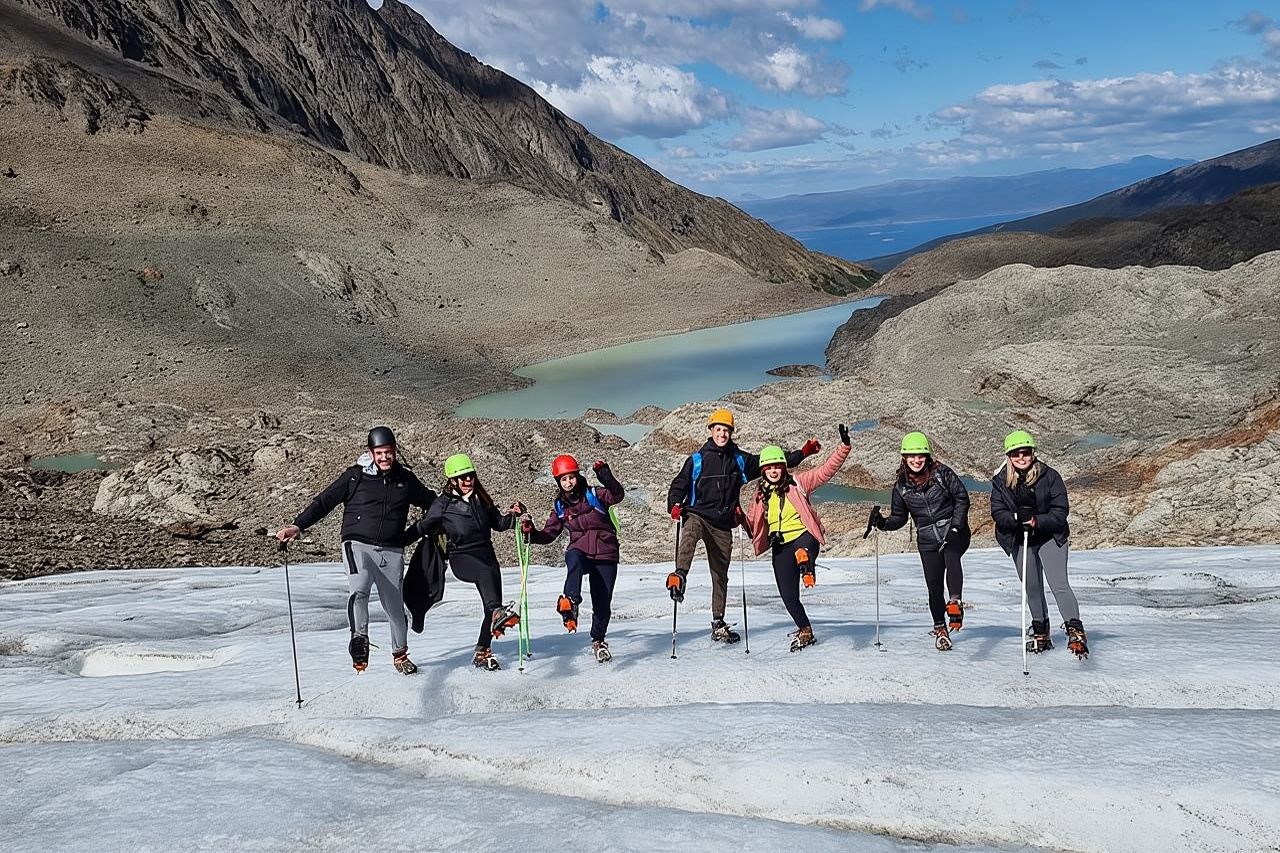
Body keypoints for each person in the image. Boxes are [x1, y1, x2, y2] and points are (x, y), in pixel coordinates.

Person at [276, 426, 435, 675]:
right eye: (379, 453)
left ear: (395, 452)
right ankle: (359, 640)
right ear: (371, 453)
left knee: (395, 607)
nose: (384, 457)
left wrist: (416, 531)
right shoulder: (355, 477)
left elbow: (432, 503)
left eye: (389, 452)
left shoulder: (406, 480)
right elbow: (325, 501)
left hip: (392, 550)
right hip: (357, 544)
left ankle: (400, 655)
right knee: (359, 589)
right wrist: (298, 525)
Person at [666, 407, 820, 643]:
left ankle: (718, 623)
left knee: (720, 574)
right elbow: (679, 484)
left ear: (731, 432)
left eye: (726, 430)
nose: (722, 434)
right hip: (698, 514)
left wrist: (803, 453)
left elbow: (771, 461)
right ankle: (680, 575)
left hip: (722, 525)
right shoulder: (697, 460)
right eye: (719, 429)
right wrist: (675, 504)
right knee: (690, 532)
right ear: (711, 430)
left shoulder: (738, 460)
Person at [404, 453, 525, 671]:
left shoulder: (481, 498)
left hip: (487, 556)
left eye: (471, 475)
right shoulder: (442, 504)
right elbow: (422, 526)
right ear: (452, 480)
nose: (468, 480)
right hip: (462, 557)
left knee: (491, 606)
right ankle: (497, 614)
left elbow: (499, 523)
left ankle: (482, 652)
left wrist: (514, 516)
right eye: (463, 477)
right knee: (494, 603)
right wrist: (398, 541)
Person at [743, 425, 851, 652]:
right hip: (780, 546)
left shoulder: (798, 483)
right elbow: (753, 525)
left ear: (784, 467)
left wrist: (843, 447)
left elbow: (825, 472)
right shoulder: (760, 495)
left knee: (803, 550)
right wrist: (738, 518)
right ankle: (805, 629)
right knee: (789, 596)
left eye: (777, 466)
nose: (774, 471)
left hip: (804, 536)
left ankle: (806, 564)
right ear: (763, 470)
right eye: (769, 467)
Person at [869, 431, 970, 651]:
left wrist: (955, 526)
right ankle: (940, 629)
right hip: (927, 539)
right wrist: (883, 523)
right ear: (904, 458)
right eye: (912, 456)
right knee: (933, 586)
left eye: (921, 455)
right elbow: (899, 518)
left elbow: (962, 498)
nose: (917, 460)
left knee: (951, 554)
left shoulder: (942, 473)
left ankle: (955, 602)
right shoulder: (901, 487)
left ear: (928, 456)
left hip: (954, 531)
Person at [990, 430, 1088, 657]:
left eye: (1025, 452)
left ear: (1033, 453)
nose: (1021, 457)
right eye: (1016, 453)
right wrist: (1017, 519)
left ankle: (1075, 631)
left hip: (1050, 536)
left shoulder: (1050, 476)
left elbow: (1060, 511)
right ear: (1008, 456)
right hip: (1020, 538)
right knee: (1032, 586)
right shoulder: (1000, 481)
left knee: (1059, 584)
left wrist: (1036, 521)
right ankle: (1041, 631)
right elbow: (998, 512)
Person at [522, 454, 625, 663]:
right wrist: (531, 533)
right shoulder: (560, 507)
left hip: (605, 553)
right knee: (573, 557)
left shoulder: (595, 494)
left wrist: (606, 476)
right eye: (564, 479)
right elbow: (548, 534)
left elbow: (617, 494)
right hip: (580, 551)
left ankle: (598, 641)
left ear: (577, 476)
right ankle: (570, 600)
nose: (568, 482)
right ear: (558, 482)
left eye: (571, 477)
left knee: (602, 604)